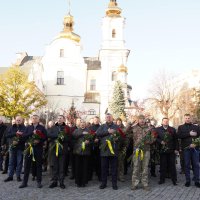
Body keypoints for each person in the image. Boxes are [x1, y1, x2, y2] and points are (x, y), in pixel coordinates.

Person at [128, 115, 154, 191]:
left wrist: (148, 141)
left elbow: (153, 137)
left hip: (146, 150)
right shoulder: (134, 128)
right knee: (136, 167)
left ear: (145, 120)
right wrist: (130, 124)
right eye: (140, 119)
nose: (142, 120)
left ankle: (145, 184)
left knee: (145, 168)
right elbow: (125, 133)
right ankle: (134, 184)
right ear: (138, 120)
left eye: (143, 119)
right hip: (136, 150)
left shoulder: (150, 128)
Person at [19, 115, 47, 188]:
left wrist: (39, 140)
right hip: (29, 148)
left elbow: (45, 137)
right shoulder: (28, 127)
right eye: (33, 118)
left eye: (36, 118)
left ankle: (39, 182)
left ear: (38, 120)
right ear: (31, 119)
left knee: (38, 165)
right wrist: (32, 133)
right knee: (27, 165)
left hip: (38, 148)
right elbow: (24, 136)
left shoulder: (42, 128)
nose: (34, 119)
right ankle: (24, 182)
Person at [96, 113, 122, 190]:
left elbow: (121, 137)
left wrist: (118, 138)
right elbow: (98, 133)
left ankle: (114, 184)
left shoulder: (116, 127)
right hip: (104, 151)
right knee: (104, 168)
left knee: (114, 169)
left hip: (114, 151)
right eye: (107, 117)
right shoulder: (102, 126)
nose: (108, 118)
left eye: (110, 117)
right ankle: (104, 183)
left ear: (112, 118)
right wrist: (108, 132)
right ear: (105, 118)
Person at [177, 114, 200, 188]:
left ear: (191, 118)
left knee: (196, 165)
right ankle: (188, 181)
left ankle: (197, 180)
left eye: (188, 118)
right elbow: (179, 136)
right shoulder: (181, 127)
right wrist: (189, 134)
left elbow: (199, 137)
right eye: (186, 118)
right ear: (184, 119)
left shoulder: (196, 127)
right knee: (186, 165)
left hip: (195, 149)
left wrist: (196, 144)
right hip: (186, 149)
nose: (187, 119)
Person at [48, 115, 71, 189]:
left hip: (62, 150)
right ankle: (55, 181)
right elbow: (49, 134)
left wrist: (63, 138)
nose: (59, 119)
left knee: (61, 167)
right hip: (54, 149)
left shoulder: (67, 128)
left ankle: (61, 182)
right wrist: (57, 136)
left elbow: (69, 138)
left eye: (60, 118)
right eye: (58, 118)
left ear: (64, 119)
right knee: (55, 166)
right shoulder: (53, 127)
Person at [156, 117, 178, 185]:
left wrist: (176, 149)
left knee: (172, 165)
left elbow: (176, 140)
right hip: (162, 150)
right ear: (162, 122)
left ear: (168, 122)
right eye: (164, 121)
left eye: (167, 121)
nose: (165, 122)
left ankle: (174, 180)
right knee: (163, 165)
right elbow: (155, 138)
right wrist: (160, 141)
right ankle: (162, 179)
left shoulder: (172, 129)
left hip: (171, 150)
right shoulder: (158, 129)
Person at [4, 116, 26, 182]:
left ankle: (18, 176)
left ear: (22, 121)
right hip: (12, 147)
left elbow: (26, 138)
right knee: (11, 162)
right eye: (17, 120)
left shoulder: (25, 128)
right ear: (15, 120)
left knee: (19, 162)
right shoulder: (11, 127)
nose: (18, 121)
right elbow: (7, 135)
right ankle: (10, 176)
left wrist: (18, 141)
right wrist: (15, 134)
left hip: (20, 148)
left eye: (19, 120)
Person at [73, 119, 92, 187]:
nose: (82, 124)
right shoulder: (76, 130)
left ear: (85, 124)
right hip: (78, 151)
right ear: (79, 124)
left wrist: (89, 142)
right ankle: (78, 182)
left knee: (85, 167)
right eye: (81, 122)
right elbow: (74, 136)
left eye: (84, 122)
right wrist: (82, 133)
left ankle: (84, 182)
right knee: (78, 167)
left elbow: (91, 139)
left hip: (86, 151)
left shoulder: (89, 130)